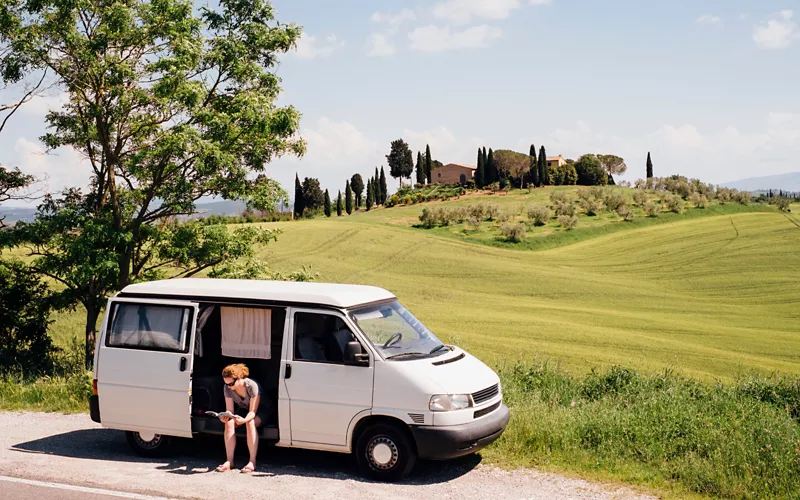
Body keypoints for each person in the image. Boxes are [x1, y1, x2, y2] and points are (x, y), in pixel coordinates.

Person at [216, 363, 266, 473]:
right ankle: (229, 461)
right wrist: (226, 416)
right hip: (243, 409)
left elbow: (252, 412)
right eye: (226, 384)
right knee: (228, 423)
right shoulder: (227, 387)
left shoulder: (251, 386)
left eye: (231, 384)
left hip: (262, 410)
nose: (229, 386)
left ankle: (252, 461)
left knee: (250, 423)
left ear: (239, 379)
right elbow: (230, 410)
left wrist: (243, 420)